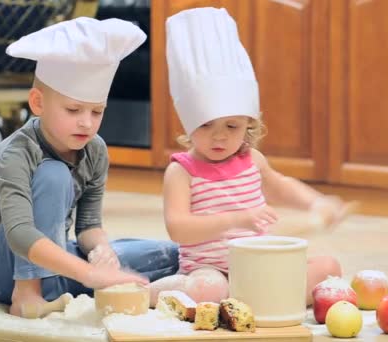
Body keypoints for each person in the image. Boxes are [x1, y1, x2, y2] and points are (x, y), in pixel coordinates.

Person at [0, 17, 178, 317]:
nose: (86, 122)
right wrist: (88, 274)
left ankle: (62, 284)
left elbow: (88, 226)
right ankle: (27, 295)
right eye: (73, 110)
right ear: (38, 103)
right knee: (53, 174)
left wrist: (100, 252)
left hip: (55, 253)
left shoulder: (95, 150)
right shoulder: (16, 152)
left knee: (167, 254)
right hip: (1, 266)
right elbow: (20, 234)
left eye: (97, 111)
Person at [149, 7, 351, 307]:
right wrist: (236, 219)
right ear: (188, 124)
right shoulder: (182, 172)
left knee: (328, 268)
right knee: (209, 290)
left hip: (259, 263)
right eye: (205, 125)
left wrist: (316, 202)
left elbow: (280, 186)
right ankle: (149, 293)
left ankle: (249, 300)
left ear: (248, 125)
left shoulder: (251, 160)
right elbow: (178, 228)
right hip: (210, 270)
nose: (219, 136)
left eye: (231, 126)